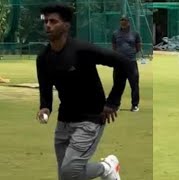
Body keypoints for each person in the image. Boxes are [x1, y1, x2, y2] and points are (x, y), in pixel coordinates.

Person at [36, 3, 131, 180]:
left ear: (66, 26)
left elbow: (123, 63)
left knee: (69, 172)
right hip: (63, 121)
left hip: (90, 119)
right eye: (46, 21)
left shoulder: (81, 50)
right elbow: (45, 91)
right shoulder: (43, 58)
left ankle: (107, 168)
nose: (47, 25)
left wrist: (113, 101)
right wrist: (45, 108)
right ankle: (107, 169)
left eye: (53, 21)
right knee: (66, 176)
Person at [108, 15, 141, 112]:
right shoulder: (115, 33)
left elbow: (138, 47)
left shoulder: (135, 34)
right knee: (118, 85)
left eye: (125, 20)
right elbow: (114, 47)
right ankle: (116, 105)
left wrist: (130, 54)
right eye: (121, 20)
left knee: (134, 84)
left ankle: (135, 105)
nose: (123, 22)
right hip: (119, 63)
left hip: (131, 62)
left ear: (128, 22)